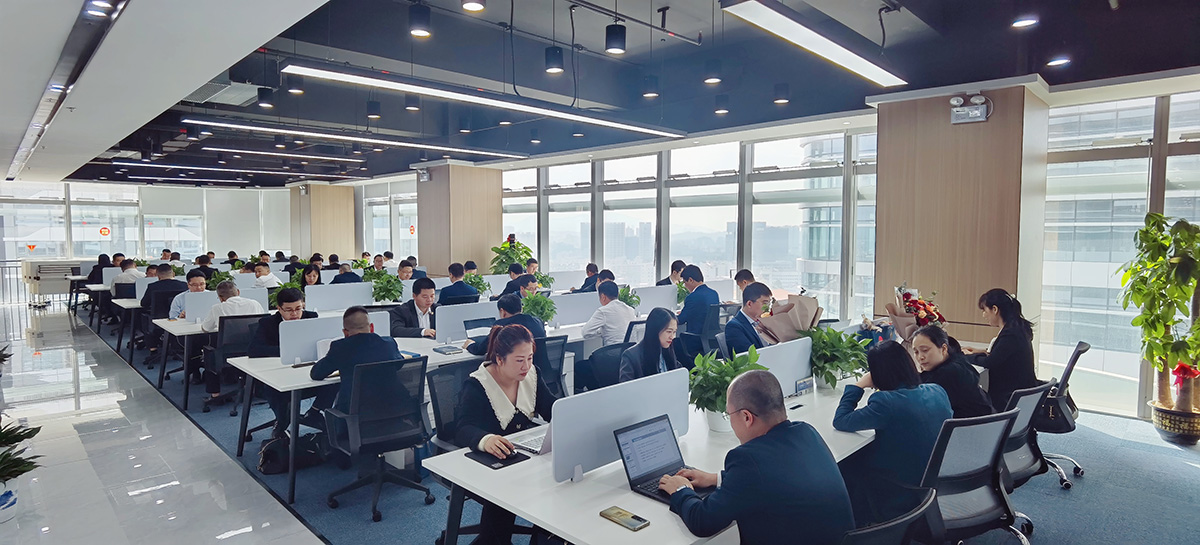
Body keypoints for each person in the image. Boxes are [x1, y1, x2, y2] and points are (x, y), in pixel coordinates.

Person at [658, 370, 855, 543]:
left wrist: (681, 489)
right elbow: (775, 476)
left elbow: (703, 521)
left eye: (729, 414)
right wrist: (716, 479)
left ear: (746, 417)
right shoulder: (806, 432)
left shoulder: (747, 459)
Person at [455, 324, 559, 544]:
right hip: (489, 460)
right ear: (500, 359)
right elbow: (463, 428)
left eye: (530, 358)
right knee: (504, 497)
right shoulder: (477, 385)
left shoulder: (531, 375)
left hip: (522, 454)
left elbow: (551, 407)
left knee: (558, 483)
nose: (526, 366)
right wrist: (486, 439)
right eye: (519, 360)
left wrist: (571, 412)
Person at [833, 340, 952, 524]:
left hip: (903, 484)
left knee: (844, 464)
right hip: (936, 478)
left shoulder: (886, 402)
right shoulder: (938, 391)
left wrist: (858, 386)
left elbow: (841, 420)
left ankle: (858, 526)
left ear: (877, 373)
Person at [247, 288, 334, 437]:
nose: (294, 314)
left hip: (306, 370)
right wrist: (288, 351)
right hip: (278, 373)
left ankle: (314, 412)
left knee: (336, 381)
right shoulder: (267, 323)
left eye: (298, 308)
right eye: (288, 310)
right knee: (274, 389)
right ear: (279, 308)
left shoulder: (311, 317)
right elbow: (254, 350)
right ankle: (282, 421)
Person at [310, 306, 404, 423]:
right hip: (394, 415)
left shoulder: (340, 347)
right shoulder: (389, 343)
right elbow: (400, 364)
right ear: (372, 327)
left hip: (355, 419)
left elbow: (316, 374)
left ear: (345, 333)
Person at [964, 288, 1038, 411]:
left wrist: (965, 356)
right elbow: (1004, 354)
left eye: (984, 310)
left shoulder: (1011, 334)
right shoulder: (1018, 328)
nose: (984, 315)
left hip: (1008, 399)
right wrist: (982, 351)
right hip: (1020, 395)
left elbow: (990, 362)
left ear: (995, 309)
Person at [913, 325, 993, 418]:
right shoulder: (958, 361)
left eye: (925, 350)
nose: (920, 357)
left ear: (944, 349)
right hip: (986, 422)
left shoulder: (948, 373)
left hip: (970, 425)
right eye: (916, 352)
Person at [464, 294, 546, 356]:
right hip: (542, 369)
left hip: (519, 370)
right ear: (521, 309)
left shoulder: (501, 326)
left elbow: (481, 350)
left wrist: (470, 345)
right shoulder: (538, 321)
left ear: (502, 311)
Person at [619, 307, 682, 382]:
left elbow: (678, 375)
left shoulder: (667, 350)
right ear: (655, 330)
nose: (672, 337)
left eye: (674, 332)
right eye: (669, 332)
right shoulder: (631, 356)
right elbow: (627, 387)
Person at [140, 265, 187, 353]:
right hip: (180, 318)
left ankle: (153, 348)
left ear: (158, 276)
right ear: (173, 274)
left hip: (158, 319)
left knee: (143, 316)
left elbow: (144, 303)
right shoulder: (184, 285)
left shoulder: (152, 286)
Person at [677, 265, 718, 357]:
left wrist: (669, 316)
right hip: (712, 340)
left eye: (685, 282)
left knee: (675, 344)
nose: (685, 286)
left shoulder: (692, 297)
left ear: (691, 280)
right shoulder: (713, 293)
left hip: (695, 341)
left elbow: (681, 320)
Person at [582, 280, 636, 346]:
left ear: (603, 297)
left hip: (613, 350)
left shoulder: (603, 311)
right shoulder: (630, 309)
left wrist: (602, 331)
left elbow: (585, 332)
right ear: (618, 294)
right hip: (630, 350)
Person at [725, 282, 772, 355]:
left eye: (769, 303)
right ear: (749, 304)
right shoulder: (734, 326)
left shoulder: (763, 322)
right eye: (765, 303)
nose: (767, 308)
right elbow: (749, 356)